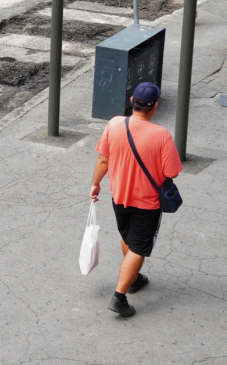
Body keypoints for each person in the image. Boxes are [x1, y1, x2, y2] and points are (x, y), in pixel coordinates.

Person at [89, 82, 182, 317]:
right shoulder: (162, 135)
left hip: (119, 196)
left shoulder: (115, 124)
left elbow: (103, 160)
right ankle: (119, 297)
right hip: (147, 202)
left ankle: (134, 278)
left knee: (129, 237)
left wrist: (95, 184)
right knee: (140, 246)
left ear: (132, 101)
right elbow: (172, 172)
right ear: (155, 106)